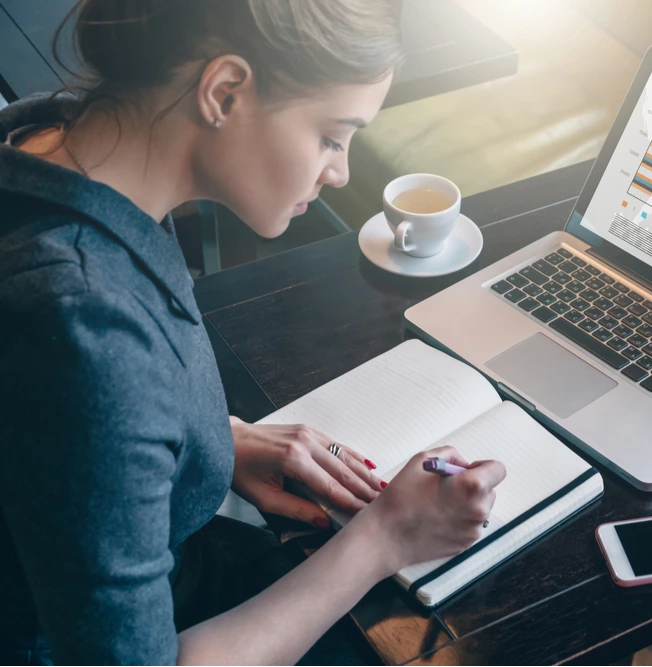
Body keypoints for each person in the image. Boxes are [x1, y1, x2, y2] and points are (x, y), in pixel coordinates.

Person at [0, 1, 506, 664]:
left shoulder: (45, 134)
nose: (342, 172)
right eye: (332, 135)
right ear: (225, 91)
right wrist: (384, 539)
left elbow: (44, 422)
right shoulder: (86, 325)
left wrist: (209, 438)